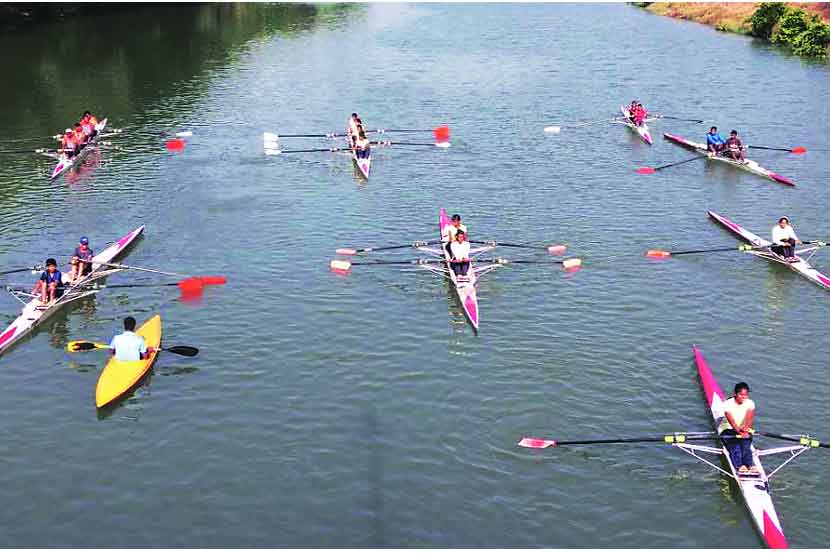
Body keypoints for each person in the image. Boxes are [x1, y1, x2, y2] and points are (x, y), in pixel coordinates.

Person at [717, 382, 758, 475]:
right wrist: (739, 431)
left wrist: (746, 429)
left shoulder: (750, 403)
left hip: (743, 429)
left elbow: (749, 418)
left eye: (746, 395)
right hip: (727, 429)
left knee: (746, 444)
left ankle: (750, 465)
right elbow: (732, 423)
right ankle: (739, 466)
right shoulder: (727, 404)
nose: (744, 397)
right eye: (741, 395)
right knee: (735, 445)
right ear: (735, 394)